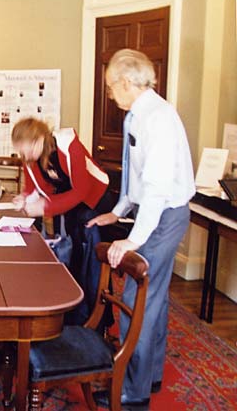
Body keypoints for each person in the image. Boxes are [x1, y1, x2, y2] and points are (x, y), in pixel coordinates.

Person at [87, 49, 195, 409]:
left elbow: (157, 189)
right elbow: (136, 176)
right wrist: (118, 213)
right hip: (156, 210)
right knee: (155, 298)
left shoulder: (157, 119)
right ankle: (150, 376)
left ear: (127, 82)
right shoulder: (138, 115)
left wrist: (132, 240)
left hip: (164, 214)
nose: (109, 93)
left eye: (110, 86)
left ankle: (132, 391)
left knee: (138, 300)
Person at [11, 117, 113, 325]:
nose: (25, 155)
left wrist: (47, 206)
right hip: (67, 203)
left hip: (94, 203)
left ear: (39, 138)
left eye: (27, 149)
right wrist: (25, 198)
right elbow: (33, 187)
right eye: (21, 151)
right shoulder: (30, 156)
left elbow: (82, 190)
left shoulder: (69, 146)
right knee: (68, 257)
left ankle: (96, 318)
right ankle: (71, 312)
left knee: (90, 262)